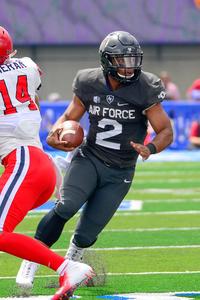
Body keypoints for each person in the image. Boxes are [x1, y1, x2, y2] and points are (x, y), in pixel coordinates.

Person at [16, 30, 173, 287]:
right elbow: (69, 117)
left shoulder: (146, 86)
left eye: (132, 60)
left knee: (87, 233)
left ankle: (71, 265)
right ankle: (30, 262)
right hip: (90, 157)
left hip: (120, 170)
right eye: (121, 60)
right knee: (66, 206)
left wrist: (151, 148)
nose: (128, 66)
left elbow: (165, 130)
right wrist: (56, 133)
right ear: (107, 60)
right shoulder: (89, 81)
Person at [0, 26, 94, 299]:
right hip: (36, 164)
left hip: (24, 163)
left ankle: (67, 267)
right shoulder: (27, 66)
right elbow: (31, 97)